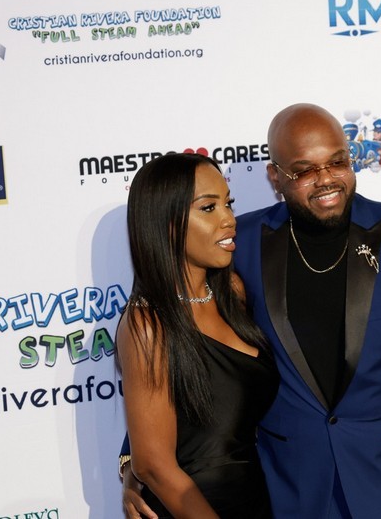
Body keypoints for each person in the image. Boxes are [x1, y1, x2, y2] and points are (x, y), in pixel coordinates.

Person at [124, 104, 381, 518]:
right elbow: (175, 341)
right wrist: (136, 462)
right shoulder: (241, 241)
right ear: (275, 176)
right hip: (290, 493)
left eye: (337, 162)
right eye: (304, 171)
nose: (326, 179)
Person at [116, 153, 279, 518]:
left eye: (228, 203)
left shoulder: (233, 293)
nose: (229, 219)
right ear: (166, 223)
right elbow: (154, 465)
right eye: (208, 208)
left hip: (254, 500)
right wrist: (132, 465)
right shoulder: (147, 324)